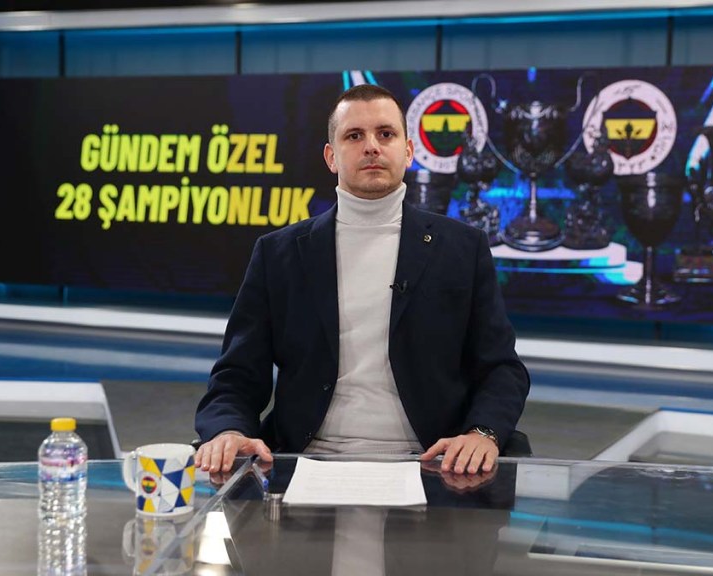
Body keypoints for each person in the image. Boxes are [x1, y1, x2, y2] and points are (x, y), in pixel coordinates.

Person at [194, 84, 529, 476]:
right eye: (354, 136)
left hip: (432, 463)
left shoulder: (463, 248)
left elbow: (502, 368)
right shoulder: (277, 254)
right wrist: (229, 430)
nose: (371, 146)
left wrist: (482, 432)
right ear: (331, 157)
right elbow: (236, 375)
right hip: (305, 461)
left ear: (408, 151)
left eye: (385, 134)